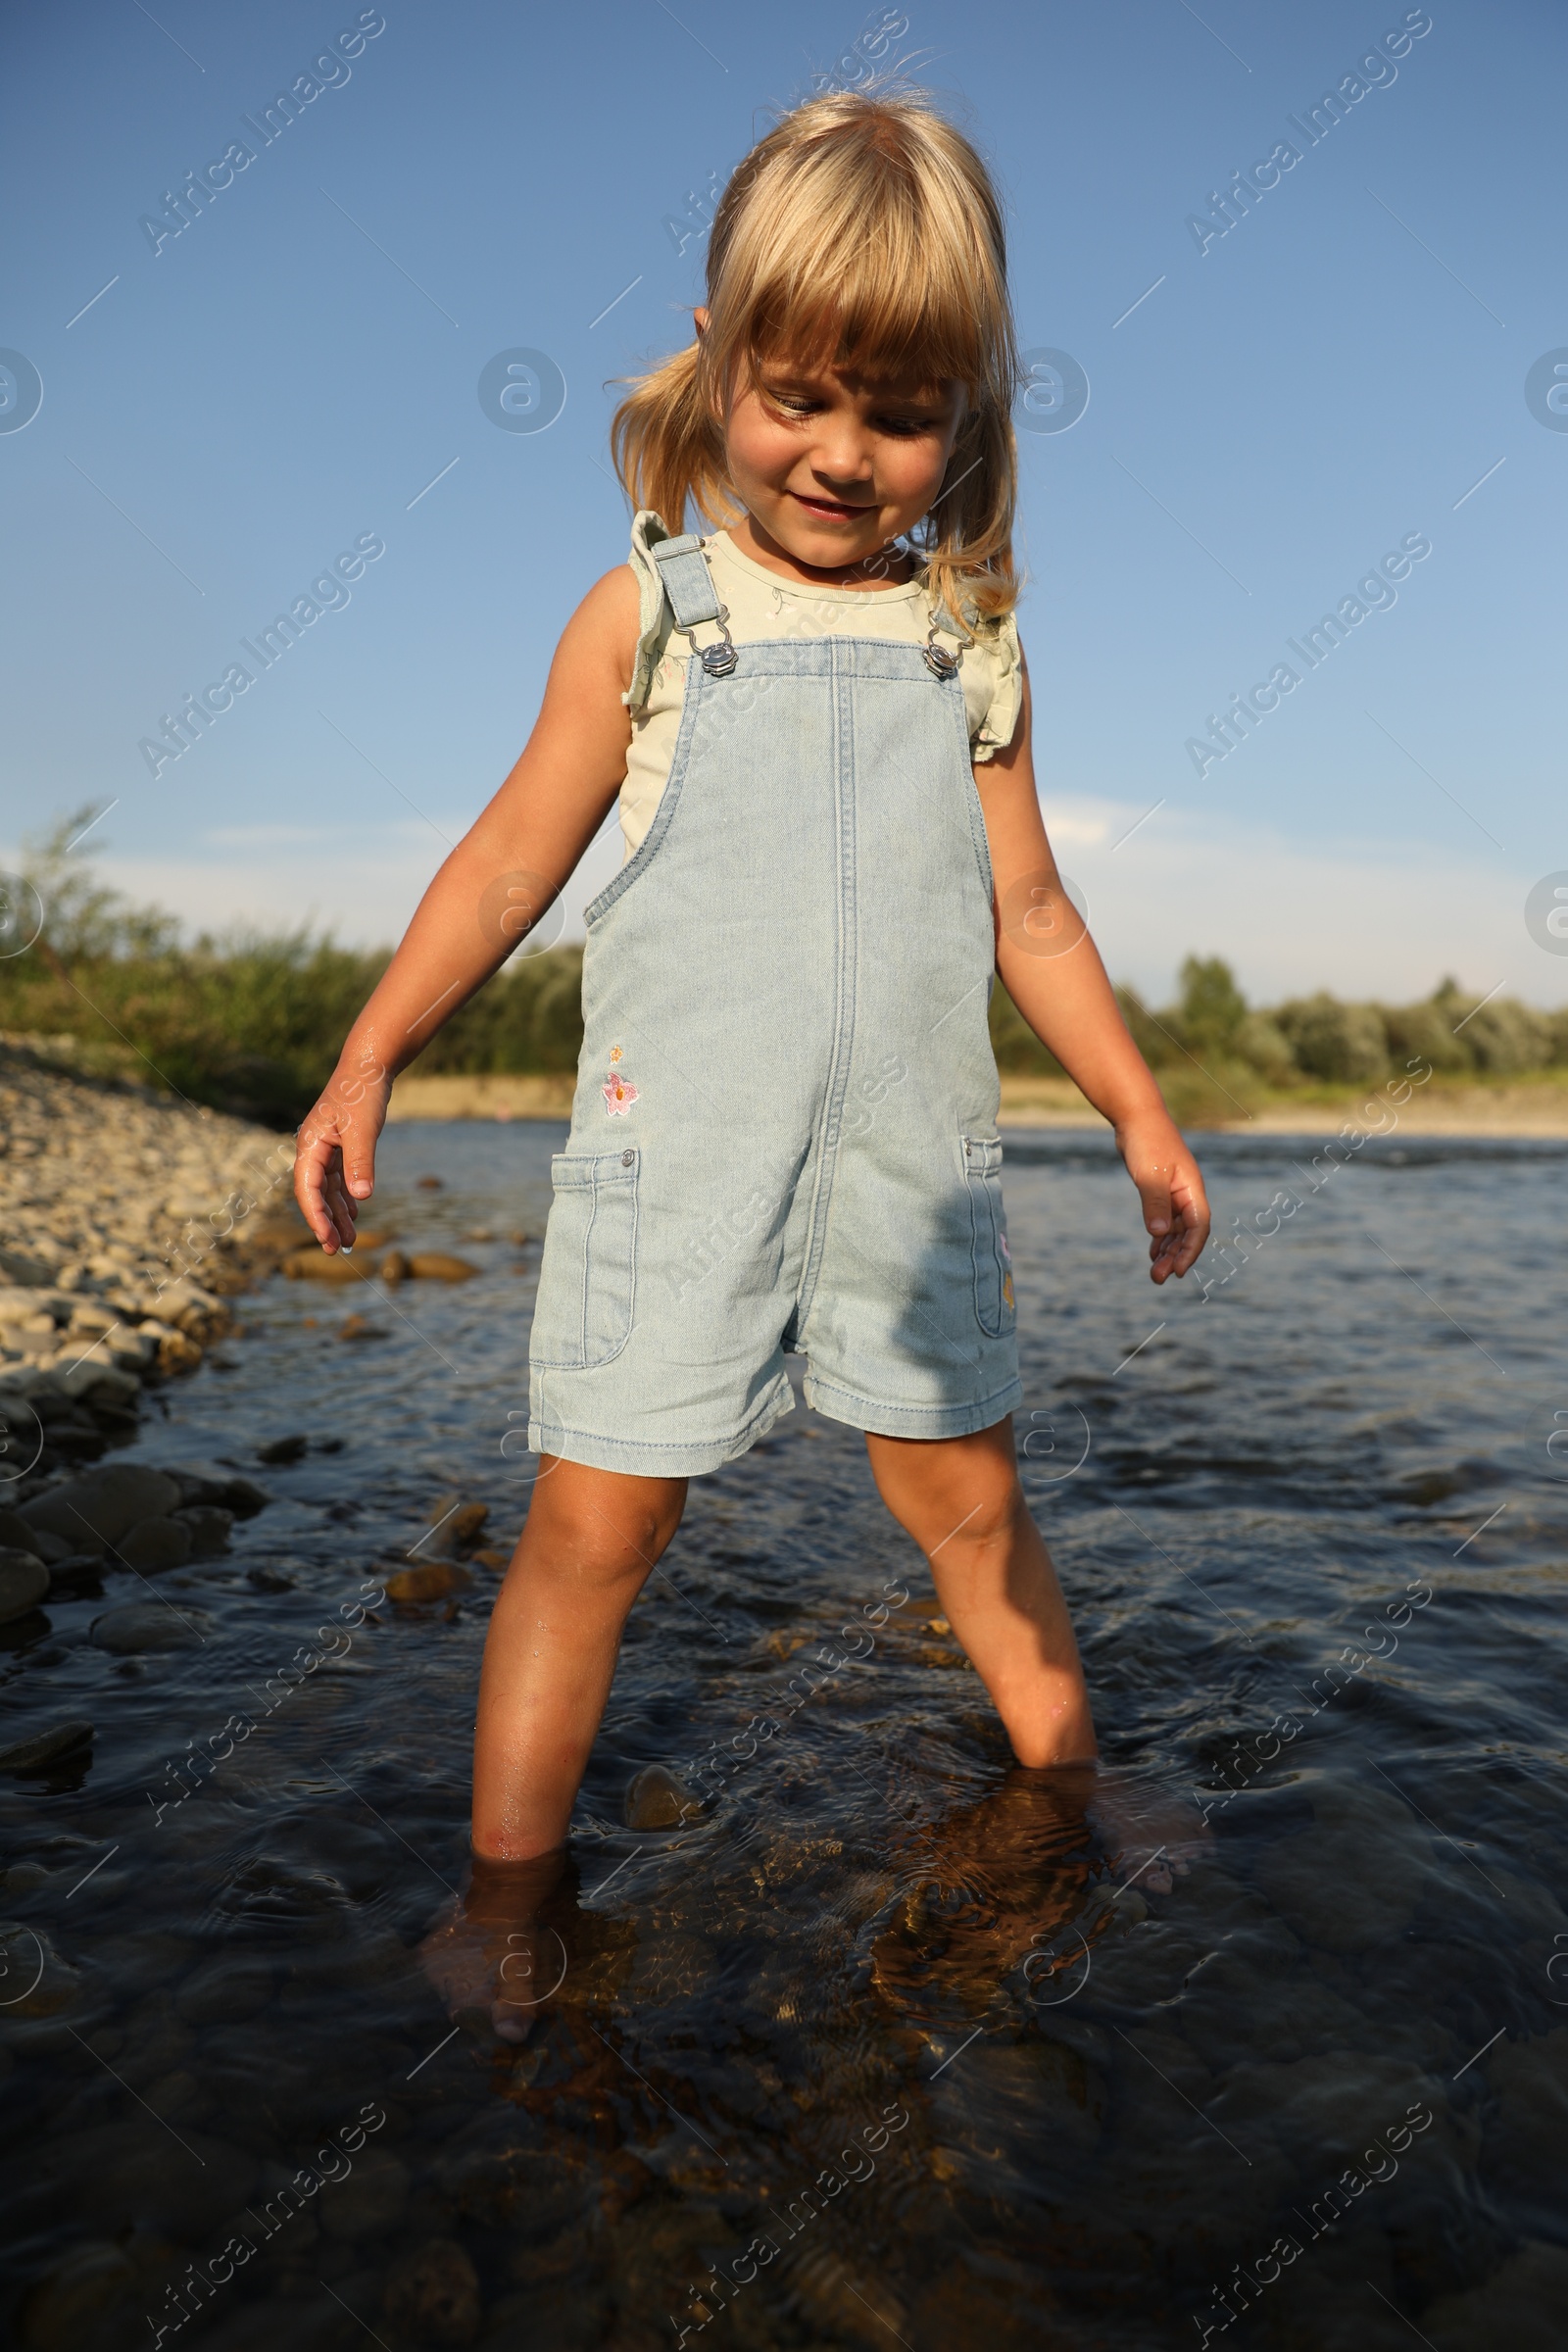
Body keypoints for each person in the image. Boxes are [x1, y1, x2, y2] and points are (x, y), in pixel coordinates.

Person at [294, 88, 1210, 2036]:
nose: (840, 451)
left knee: (971, 1508)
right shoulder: (644, 617)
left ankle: (1068, 1780)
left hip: (908, 1174)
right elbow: (506, 863)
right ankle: (508, 1888)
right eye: (798, 393)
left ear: (964, 420)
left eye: (898, 412)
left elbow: (1029, 914)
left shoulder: (973, 640)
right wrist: (372, 1052)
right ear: (718, 366)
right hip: (670, 1157)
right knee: (590, 1528)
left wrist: (1136, 1110)